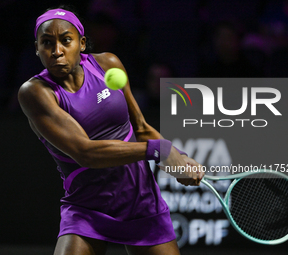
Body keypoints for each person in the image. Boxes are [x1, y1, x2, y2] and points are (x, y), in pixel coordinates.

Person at [18, 5, 203, 255]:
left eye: (66, 40)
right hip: (87, 209)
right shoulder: (36, 92)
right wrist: (159, 150)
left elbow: (141, 127)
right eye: (47, 43)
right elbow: (86, 153)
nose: (57, 51)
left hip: (141, 201)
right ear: (37, 48)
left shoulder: (107, 64)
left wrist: (178, 158)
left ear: (81, 43)